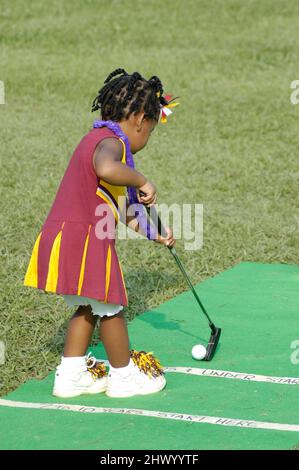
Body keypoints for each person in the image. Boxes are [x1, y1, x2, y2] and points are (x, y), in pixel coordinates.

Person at [23, 68, 176, 399]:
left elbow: (121, 211)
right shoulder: (112, 143)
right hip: (85, 240)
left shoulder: (96, 138)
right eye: (149, 131)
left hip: (65, 237)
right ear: (138, 120)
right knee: (112, 305)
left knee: (90, 306)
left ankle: (71, 374)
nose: (145, 139)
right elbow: (107, 168)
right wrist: (141, 180)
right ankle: (124, 377)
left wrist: (155, 234)